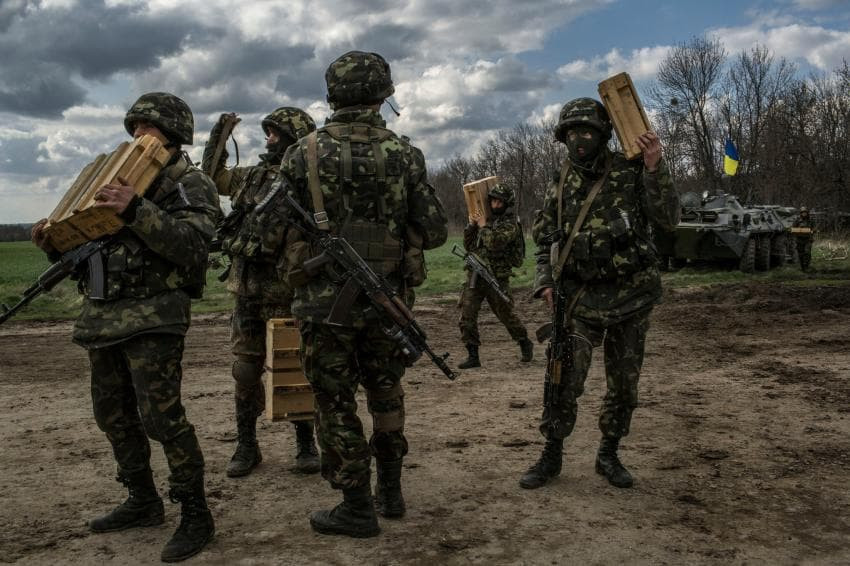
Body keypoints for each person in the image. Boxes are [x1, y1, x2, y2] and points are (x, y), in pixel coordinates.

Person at [31, 92, 221, 562]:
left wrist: (136, 209)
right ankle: (142, 500)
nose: (138, 134)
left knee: (163, 420)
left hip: (155, 318)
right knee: (113, 416)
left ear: (173, 133)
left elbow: (194, 248)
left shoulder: (189, 182)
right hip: (103, 317)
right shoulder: (115, 178)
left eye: (147, 126)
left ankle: (195, 513)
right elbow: (94, 250)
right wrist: (56, 243)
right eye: (133, 126)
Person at [278, 50, 448, 538]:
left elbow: (272, 234)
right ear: (383, 96)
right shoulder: (405, 155)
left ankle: (356, 505)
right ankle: (390, 491)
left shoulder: (303, 153)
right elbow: (434, 231)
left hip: (323, 307)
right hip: (387, 302)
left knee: (334, 401)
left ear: (333, 94)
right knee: (385, 392)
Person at [518, 97, 680, 491]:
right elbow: (544, 242)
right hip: (579, 298)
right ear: (563, 137)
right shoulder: (558, 183)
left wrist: (655, 167)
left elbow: (668, 219)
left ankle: (609, 453)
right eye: (572, 132)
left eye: (587, 131)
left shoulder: (630, 169)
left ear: (603, 134)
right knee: (562, 378)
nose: (580, 139)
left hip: (631, 295)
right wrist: (545, 282)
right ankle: (552, 453)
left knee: (623, 385)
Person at [202, 107, 320, 478]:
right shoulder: (251, 176)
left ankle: (306, 443)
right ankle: (247, 445)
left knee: (295, 367)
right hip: (248, 290)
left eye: (274, 132)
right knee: (245, 370)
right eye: (267, 131)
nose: (268, 137)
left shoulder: (309, 181)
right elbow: (213, 177)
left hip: (288, 292)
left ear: (293, 138)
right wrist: (220, 134)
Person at [457, 183, 533, 368]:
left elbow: (495, 243)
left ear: (507, 204)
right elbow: (469, 245)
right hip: (476, 274)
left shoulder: (510, 224)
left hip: (497, 277)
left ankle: (524, 341)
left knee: (506, 315)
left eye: (499, 202)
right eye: (492, 201)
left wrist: (483, 226)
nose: (495, 204)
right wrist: (472, 226)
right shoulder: (485, 220)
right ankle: (473, 355)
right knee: (467, 315)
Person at [792, 207, 814, 271]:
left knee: (807, 252)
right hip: (799, 239)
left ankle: (807, 266)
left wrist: (812, 231)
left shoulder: (810, 220)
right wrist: (799, 230)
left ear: (807, 213)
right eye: (803, 213)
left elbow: (814, 228)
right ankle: (802, 267)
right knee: (800, 254)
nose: (804, 214)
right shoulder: (797, 220)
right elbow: (793, 229)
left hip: (808, 239)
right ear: (801, 213)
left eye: (805, 212)